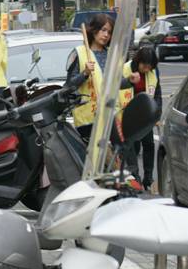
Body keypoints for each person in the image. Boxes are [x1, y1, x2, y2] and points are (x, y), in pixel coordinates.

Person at [65, 13, 114, 140]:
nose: (106, 35)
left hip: (108, 116)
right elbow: (69, 86)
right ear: (94, 30)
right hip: (87, 119)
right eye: (103, 30)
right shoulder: (79, 53)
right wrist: (85, 73)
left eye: (109, 32)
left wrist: (129, 81)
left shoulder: (111, 55)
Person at [123, 46, 162, 190]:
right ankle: (135, 177)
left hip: (146, 116)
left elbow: (157, 94)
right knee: (133, 147)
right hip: (130, 115)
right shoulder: (126, 69)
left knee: (149, 145)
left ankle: (148, 177)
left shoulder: (153, 71)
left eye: (150, 66)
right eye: (145, 66)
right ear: (138, 61)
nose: (147, 69)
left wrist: (157, 113)